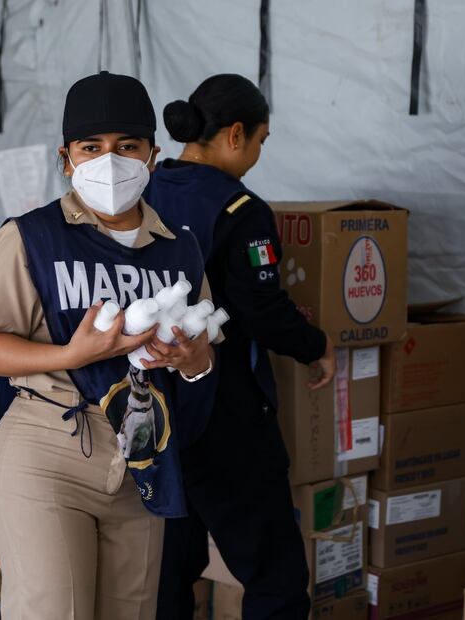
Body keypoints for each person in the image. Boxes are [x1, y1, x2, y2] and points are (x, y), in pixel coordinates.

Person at [0, 72, 219, 620]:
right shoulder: (31, 236)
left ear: (152, 155)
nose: (110, 161)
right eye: (92, 148)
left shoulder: (180, 250)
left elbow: (202, 355)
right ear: (67, 158)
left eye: (127, 146)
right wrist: (71, 355)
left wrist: (192, 361)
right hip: (46, 448)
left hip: (141, 455)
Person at [145, 74, 336, 619]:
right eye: (260, 141)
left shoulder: (143, 192)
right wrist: (315, 345)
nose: (257, 154)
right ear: (235, 135)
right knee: (275, 577)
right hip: (225, 413)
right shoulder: (240, 210)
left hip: (154, 411)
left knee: (166, 576)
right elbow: (261, 308)